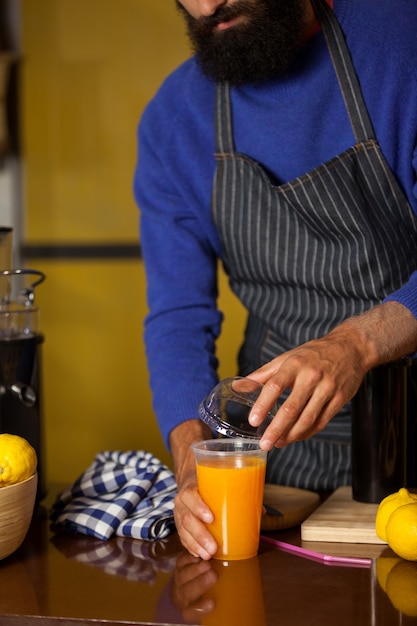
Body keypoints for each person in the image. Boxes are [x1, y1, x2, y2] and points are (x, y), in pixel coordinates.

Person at [134, 0, 417, 560]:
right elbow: (177, 321)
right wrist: (194, 466)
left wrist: (354, 344)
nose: (208, 5)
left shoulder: (401, 42)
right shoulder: (174, 122)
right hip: (280, 474)